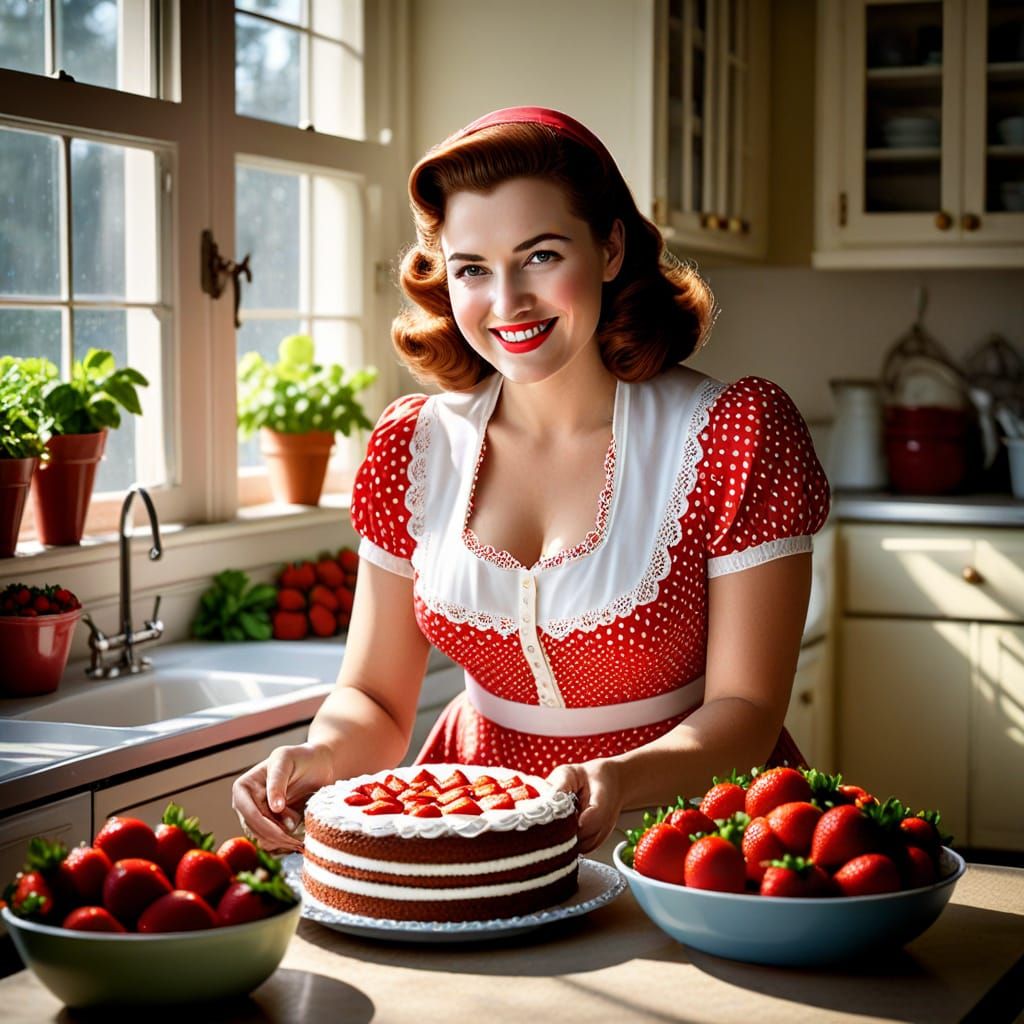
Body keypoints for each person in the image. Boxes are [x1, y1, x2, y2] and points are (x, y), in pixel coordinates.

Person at [232, 106, 830, 856]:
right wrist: (316, 757)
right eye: (472, 269)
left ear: (610, 247)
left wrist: (621, 775)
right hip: (475, 824)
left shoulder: (733, 433)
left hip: (690, 832)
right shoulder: (412, 448)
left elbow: (747, 710)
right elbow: (377, 700)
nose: (507, 301)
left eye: (541, 256)